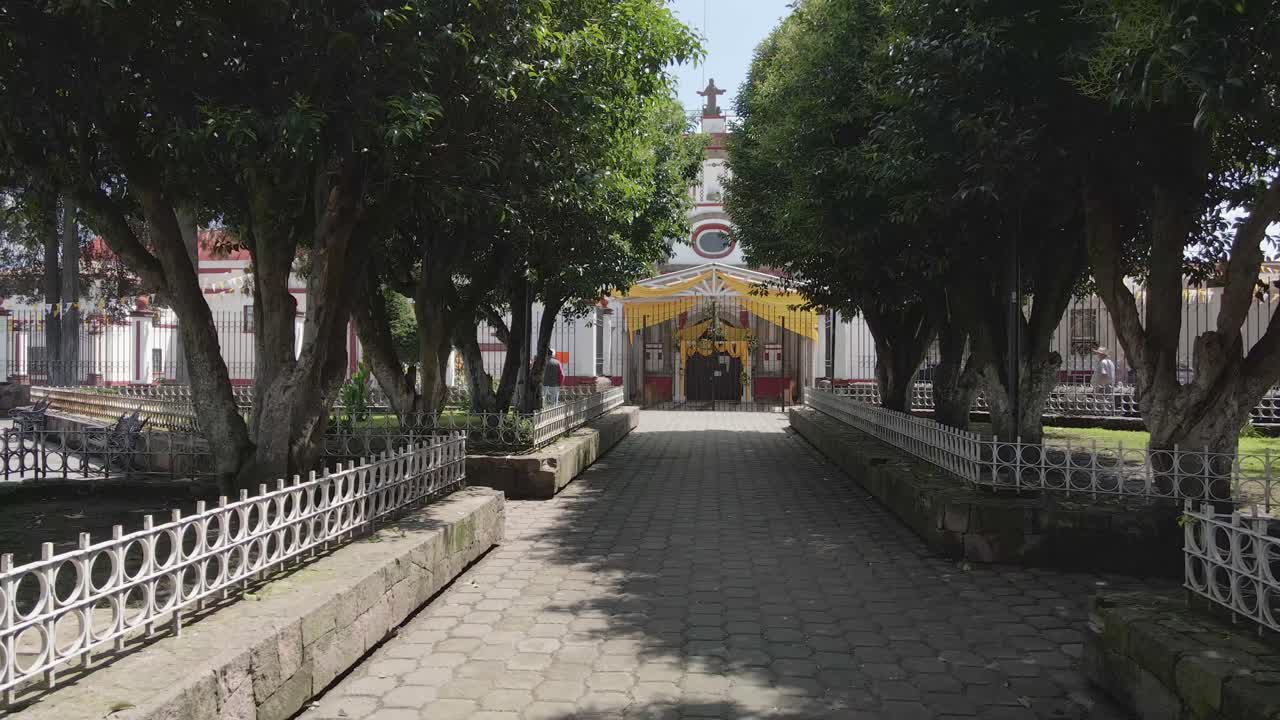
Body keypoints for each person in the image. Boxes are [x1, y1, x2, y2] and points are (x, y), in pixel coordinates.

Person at [1091, 346, 1116, 413]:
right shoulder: (1110, 362)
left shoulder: (1103, 362)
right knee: (1108, 403)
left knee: (1102, 404)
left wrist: (1099, 387)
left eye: (1098, 354)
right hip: (1109, 385)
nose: (1097, 355)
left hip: (1103, 387)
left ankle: (1104, 415)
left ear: (1102, 355)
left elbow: (1104, 374)